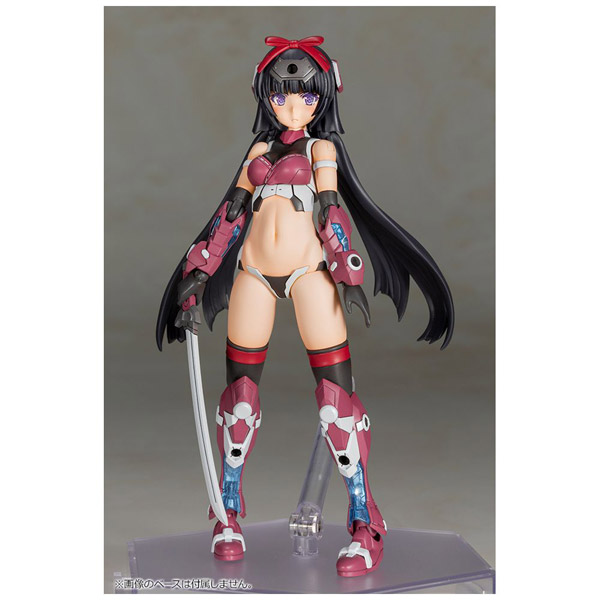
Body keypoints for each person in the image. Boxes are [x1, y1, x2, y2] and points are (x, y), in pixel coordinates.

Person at [156, 36, 454, 577]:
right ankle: (226, 513)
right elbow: (230, 216)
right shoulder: (256, 154)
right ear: (265, 95)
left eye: (306, 96)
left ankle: (365, 522)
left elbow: (331, 211)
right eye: (281, 95)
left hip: (309, 274)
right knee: (239, 404)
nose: (293, 105)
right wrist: (197, 272)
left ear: (324, 98)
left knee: (337, 406)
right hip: (253, 274)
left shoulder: (321, 152)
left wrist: (347, 269)